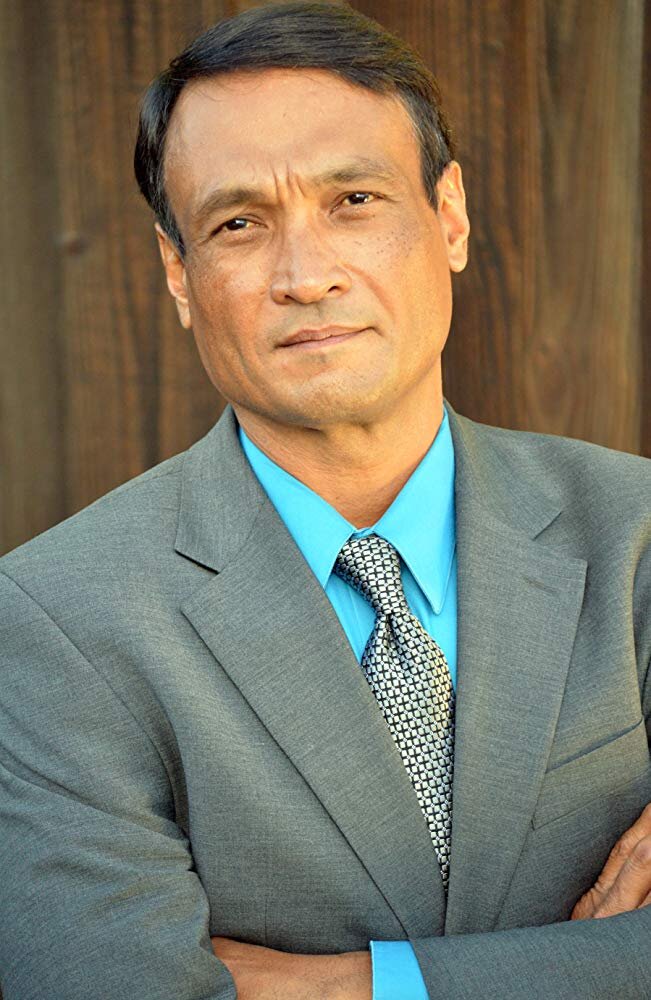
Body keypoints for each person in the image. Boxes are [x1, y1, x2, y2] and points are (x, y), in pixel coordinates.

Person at [1, 2, 650, 998]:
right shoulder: (52, 621)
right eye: (238, 224)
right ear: (179, 274)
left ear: (449, 218)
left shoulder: (635, 528)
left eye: (353, 200)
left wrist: (355, 984)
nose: (305, 277)